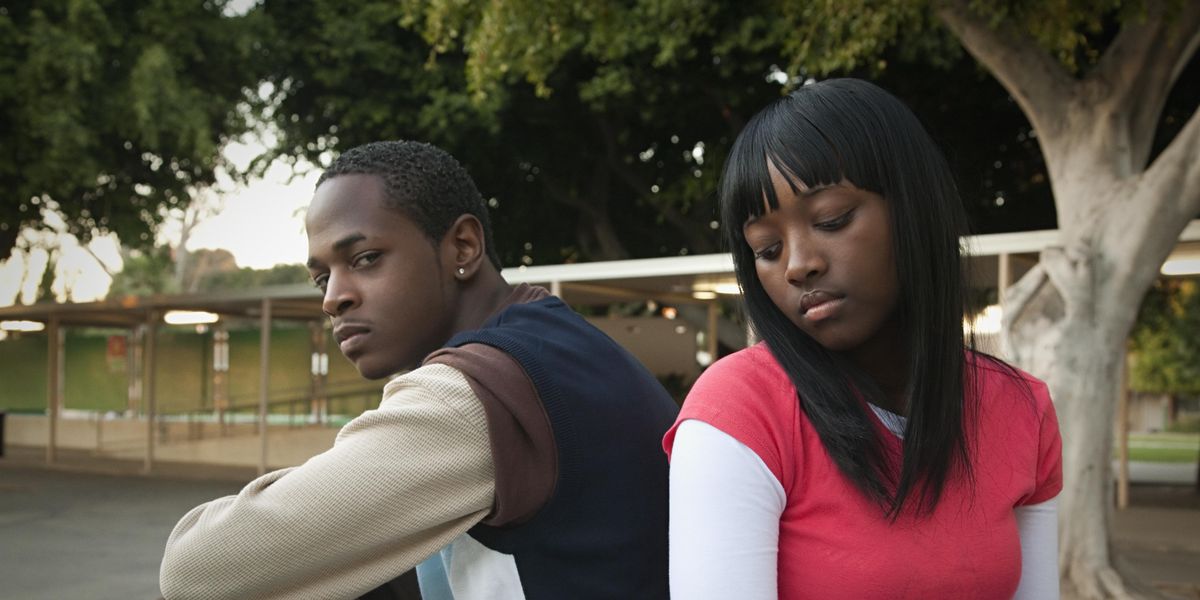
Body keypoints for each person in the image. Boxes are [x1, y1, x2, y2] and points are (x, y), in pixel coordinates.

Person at [159, 140, 679, 599]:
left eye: (364, 258)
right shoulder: (558, 343)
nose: (334, 298)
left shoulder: (476, 391)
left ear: (463, 247)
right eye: (322, 279)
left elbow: (196, 569)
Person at [663, 79, 1063, 600]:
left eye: (832, 219)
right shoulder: (741, 411)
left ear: (914, 206)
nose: (799, 265)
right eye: (766, 249)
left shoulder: (1020, 408)